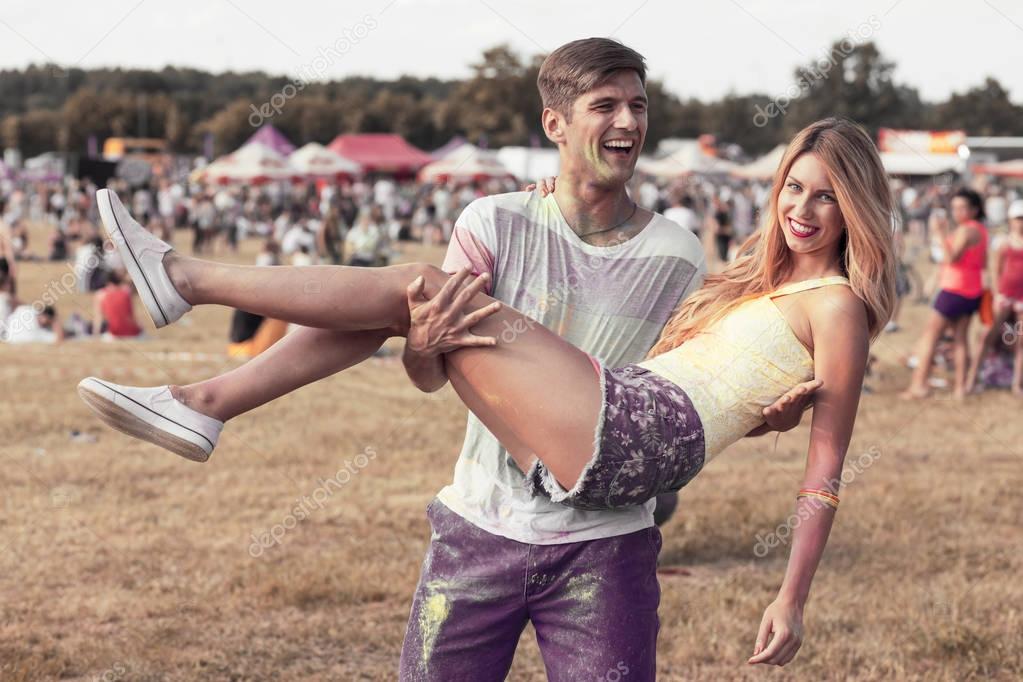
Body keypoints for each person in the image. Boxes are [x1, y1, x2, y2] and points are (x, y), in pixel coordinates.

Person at [79, 113, 894, 674]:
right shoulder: (761, 288)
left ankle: (186, 287)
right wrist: (760, 418)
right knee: (423, 304)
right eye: (794, 187)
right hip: (619, 423)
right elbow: (721, 392)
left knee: (427, 289)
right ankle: (202, 401)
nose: (802, 209)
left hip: (631, 432)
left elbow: (825, 470)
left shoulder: (837, 306)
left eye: (825, 195)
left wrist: (791, 598)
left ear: (854, 205)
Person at [902, 188, 988, 400]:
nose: (957, 211)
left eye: (963, 208)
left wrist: (939, 233)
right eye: (955, 207)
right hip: (971, 290)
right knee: (960, 339)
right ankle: (960, 388)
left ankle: (919, 385)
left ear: (974, 209)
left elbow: (951, 259)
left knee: (931, 338)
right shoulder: (981, 230)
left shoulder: (966, 230)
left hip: (954, 290)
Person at [966, 199, 1023, 395]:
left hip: (1021, 298)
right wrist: (998, 294)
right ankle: (971, 380)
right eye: (1018, 219)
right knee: (987, 336)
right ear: (1011, 220)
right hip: (1005, 295)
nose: (1021, 222)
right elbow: (995, 269)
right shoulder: (1004, 243)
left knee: (1020, 341)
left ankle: (1017, 384)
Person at [93, 270, 143, 339]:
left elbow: (99, 317)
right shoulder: (127, 291)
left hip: (114, 333)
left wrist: (96, 335)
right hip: (132, 332)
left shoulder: (100, 294)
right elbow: (132, 316)